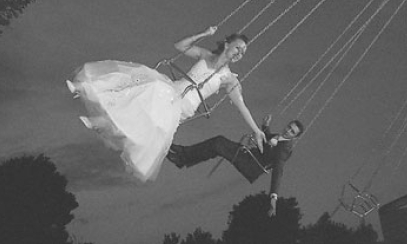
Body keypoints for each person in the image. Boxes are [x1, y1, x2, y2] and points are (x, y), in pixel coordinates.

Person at [65, 25, 266, 182]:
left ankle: (100, 122)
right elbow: (180, 46)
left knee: (149, 118)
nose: (241, 53)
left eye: (244, 52)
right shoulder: (206, 55)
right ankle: (87, 91)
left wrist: (256, 130)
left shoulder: (229, 79)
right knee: (143, 86)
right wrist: (204, 33)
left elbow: (242, 106)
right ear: (227, 44)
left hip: (184, 106)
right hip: (173, 89)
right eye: (238, 47)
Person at [167, 114, 304, 216]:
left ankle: (183, 155)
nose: (288, 131)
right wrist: (265, 126)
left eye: (292, 132)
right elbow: (268, 138)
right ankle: (183, 157)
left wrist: (273, 198)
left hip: (251, 165)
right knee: (217, 145)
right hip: (247, 156)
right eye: (289, 127)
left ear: (295, 137)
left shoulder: (285, 149)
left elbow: (278, 172)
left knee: (218, 143)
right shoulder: (279, 137)